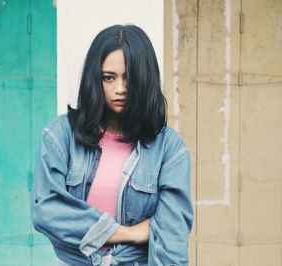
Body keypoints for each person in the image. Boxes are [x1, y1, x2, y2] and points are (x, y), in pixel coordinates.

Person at [31, 24, 193, 266]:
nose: (120, 89)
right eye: (109, 77)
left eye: (130, 78)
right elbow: (47, 210)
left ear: (146, 78)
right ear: (94, 79)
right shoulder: (61, 134)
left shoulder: (169, 148)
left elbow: (172, 237)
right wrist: (127, 233)